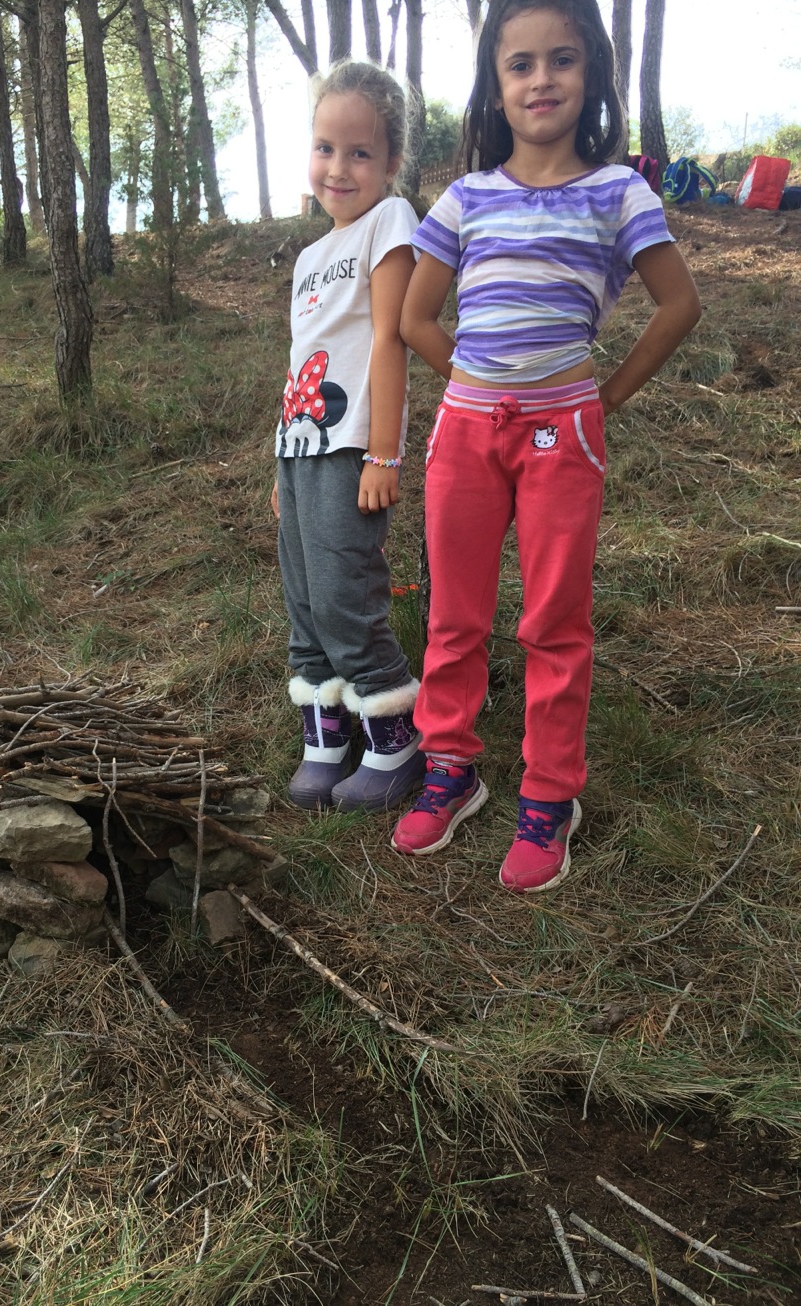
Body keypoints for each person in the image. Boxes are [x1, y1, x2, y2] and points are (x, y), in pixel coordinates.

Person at [391, 0, 701, 891]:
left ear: (590, 72)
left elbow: (678, 304)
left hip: (564, 434)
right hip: (465, 432)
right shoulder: (464, 198)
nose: (541, 80)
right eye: (519, 64)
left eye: (561, 59)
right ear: (495, 86)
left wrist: (605, 395)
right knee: (454, 615)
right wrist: (478, 384)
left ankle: (549, 793)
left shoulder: (619, 192)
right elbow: (415, 318)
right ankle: (450, 768)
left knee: (553, 620)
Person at [272, 62, 426, 813]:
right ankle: (326, 736)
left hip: (351, 447)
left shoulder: (389, 221)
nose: (339, 167)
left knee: (343, 593)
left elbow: (392, 339)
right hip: (299, 446)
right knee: (303, 596)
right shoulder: (308, 258)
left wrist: (384, 451)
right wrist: (279, 464)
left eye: (360, 152)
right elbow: (303, 360)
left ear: (390, 161)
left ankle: (395, 738)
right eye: (325, 148)